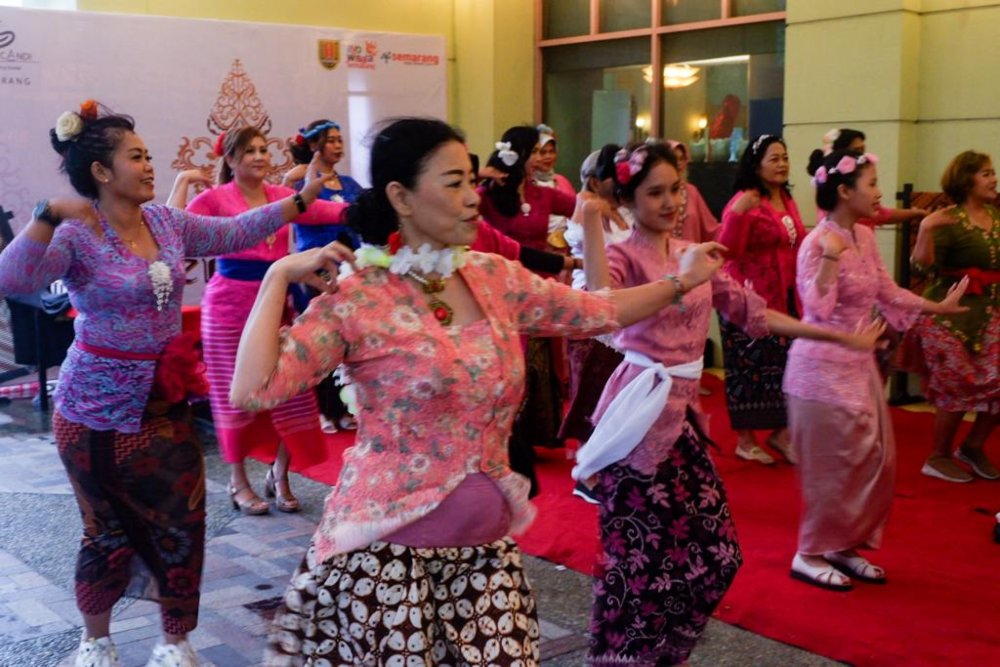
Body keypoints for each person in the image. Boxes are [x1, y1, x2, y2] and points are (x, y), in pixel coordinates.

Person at [228, 117, 728, 665]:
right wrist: (277, 277)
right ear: (402, 196)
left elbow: (599, 311)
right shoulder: (360, 299)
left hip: (485, 566)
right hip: (387, 572)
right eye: (454, 183)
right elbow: (254, 390)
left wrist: (682, 280)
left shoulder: (494, 277)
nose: (472, 198)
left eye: (471, 180)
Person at [0, 100, 329, 667]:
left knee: (183, 523)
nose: (151, 165)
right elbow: (14, 276)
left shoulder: (167, 222)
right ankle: (95, 640)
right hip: (93, 409)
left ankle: (174, 642)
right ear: (102, 172)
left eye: (149, 154)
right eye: (136, 157)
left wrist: (299, 201)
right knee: (105, 530)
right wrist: (46, 215)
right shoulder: (78, 234)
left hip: (165, 400)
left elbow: (235, 230)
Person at [574, 143, 882, 665]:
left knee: (715, 555)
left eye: (676, 189)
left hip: (682, 420)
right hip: (638, 417)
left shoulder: (691, 252)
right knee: (639, 558)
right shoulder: (626, 254)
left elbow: (751, 312)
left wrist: (831, 336)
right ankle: (623, 656)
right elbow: (601, 311)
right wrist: (587, 227)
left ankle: (657, 651)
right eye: (655, 193)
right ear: (627, 198)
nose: (671, 202)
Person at [785, 150, 968, 591]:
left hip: (859, 365)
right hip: (819, 371)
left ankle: (843, 546)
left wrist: (936, 306)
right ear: (844, 191)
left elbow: (886, 290)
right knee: (833, 465)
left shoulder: (865, 237)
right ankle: (808, 552)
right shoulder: (817, 242)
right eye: (871, 183)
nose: (879, 192)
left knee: (872, 461)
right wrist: (830, 258)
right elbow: (815, 308)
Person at [169, 126, 348, 516]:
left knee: (291, 390)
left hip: (275, 307)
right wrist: (183, 181)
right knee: (232, 397)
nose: (258, 156)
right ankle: (238, 481)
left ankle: (280, 474)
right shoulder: (213, 199)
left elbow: (324, 210)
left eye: (263, 148)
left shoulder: (284, 197)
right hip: (228, 308)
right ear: (230, 160)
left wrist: (360, 210)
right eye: (248, 150)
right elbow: (178, 232)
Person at [480, 125, 579, 489]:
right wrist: (480, 175)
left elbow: (583, 208)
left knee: (539, 363)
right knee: (512, 364)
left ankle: (536, 434)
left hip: (539, 289)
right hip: (500, 291)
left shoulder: (545, 194)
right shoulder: (488, 194)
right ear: (520, 155)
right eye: (537, 152)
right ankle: (507, 438)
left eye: (546, 152)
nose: (543, 158)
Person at [911, 150, 1000, 482]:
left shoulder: (996, 215)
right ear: (966, 180)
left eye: (993, 173)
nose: (994, 179)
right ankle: (938, 456)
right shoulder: (947, 219)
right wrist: (925, 229)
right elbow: (921, 268)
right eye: (986, 173)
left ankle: (973, 446)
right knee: (956, 387)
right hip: (949, 318)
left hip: (991, 315)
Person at [718, 134, 804, 465]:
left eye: (785, 157)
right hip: (745, 297)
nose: (782, 164)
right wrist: (738, 215)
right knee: (748, 368)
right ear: (756, 165)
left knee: (783, 366)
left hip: (784, 294)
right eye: (774, 159)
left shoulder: (786, 198)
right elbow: (729, 251)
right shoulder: (744, 201)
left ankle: (781, 434)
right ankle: (746, 439)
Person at [806, 128, 926, 227]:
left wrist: (914, 213)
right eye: (856, 151)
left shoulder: (863, 234)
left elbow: (881, 213)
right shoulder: (832, 188)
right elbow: (881, 214)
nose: (861, 156)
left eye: (863, 150)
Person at [667, 139, 720, 242]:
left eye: (682, 159)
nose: (678, 163)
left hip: (691, 255)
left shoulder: (691, 191)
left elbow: (710, 228)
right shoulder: (656, 194)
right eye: (674, 159)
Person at [533, 123, 576, 249]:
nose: (548, 156)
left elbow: (574, 214)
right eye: (543, 152)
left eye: (552, 151)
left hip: (566, 247)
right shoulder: (528, 183)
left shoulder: (562, 181)